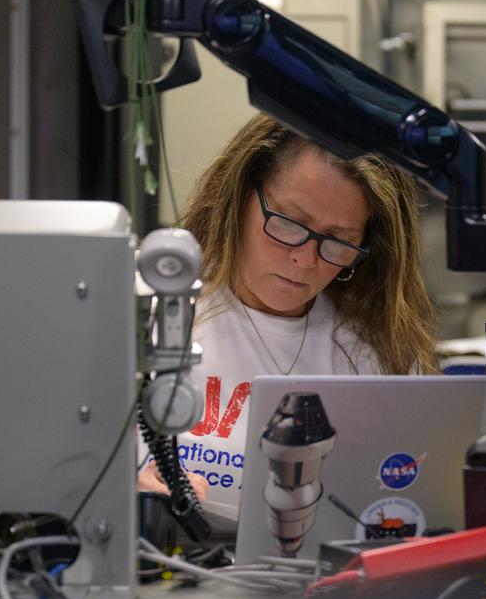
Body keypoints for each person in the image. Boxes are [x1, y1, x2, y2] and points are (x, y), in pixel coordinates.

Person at [138, 115, 440, 526]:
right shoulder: (148, 312)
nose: (304, 259)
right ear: (241, 195)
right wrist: (129, 490)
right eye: (289, 222)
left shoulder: (375, 352)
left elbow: (411, 499)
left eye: (338, 242)